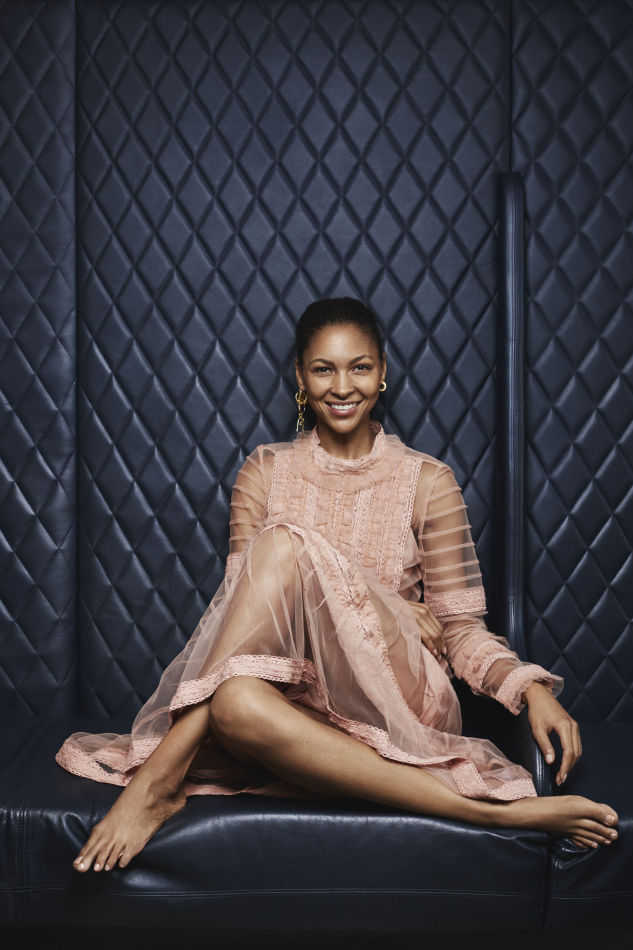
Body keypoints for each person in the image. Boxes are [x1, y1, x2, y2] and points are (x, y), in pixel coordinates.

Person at [57, 297, 619, 873]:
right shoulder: (264, 471)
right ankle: (488, 814)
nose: (343, 386)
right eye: (324, 369)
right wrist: (390, 602)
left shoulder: (427, 481)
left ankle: (158, 780)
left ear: (382, 373)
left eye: (360, 367)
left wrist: (532, 691)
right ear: (301, 377)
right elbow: (242, 621)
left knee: (282, 541)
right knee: (234, 700)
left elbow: (459, 631)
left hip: (398, 698)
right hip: (297, 701)